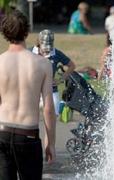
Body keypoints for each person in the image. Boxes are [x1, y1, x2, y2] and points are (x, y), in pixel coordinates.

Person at [0, 10, 56, 179]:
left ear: (4, 33)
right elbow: (48, 108)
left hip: (2, 132)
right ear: (27, 31)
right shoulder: (43, 64)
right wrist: (50, 143)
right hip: (28, 135)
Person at [30, 29, 76, 117]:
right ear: (39, 41)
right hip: (32, 91)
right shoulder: (29, 52)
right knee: (30, 117)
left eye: (49, 46)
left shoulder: (56, 53)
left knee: (53, 116)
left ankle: (62, 105)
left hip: (51, 90)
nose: (47, 50)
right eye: (45, 46)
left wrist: (61, 79)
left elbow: (72, 66)